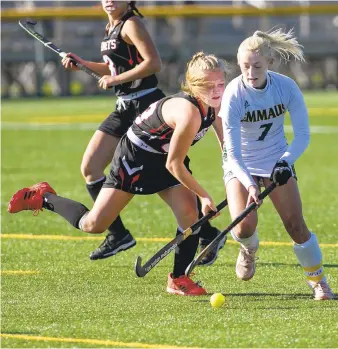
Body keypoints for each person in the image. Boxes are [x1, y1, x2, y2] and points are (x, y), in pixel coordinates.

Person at [8, 52, 228, 296]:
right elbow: (174, 165)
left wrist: (242, 173)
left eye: (220, 84)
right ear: (194, 86)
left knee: (189, 212)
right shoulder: (189, 113)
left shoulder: (215, 106)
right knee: (93, 224)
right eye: (208, 86)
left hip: (164, 156)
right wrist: (205, 196)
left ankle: (178, 278)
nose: (216, 90)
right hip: (136, 158)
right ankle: (44, 197)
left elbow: (226, 146)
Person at [61, 0, 223, 262]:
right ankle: (118, 235)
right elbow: (116, 68)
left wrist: (116, 80)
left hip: (146, 105)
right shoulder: (110, 27)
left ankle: (205, 232)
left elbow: (153, 63)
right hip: (124, 107)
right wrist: (83, 64)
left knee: (165, 179)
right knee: (91, 167)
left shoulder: (131, 24)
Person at [219, 28, 334, 300]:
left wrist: (285, 162)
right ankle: (248, 249)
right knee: (243, 226)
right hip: (241, 162)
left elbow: (303, 135)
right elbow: (231, 152)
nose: (250, 72)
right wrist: (249, 184)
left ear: (270, 63)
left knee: (295, 225)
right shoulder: (234, 94)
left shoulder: (285, 87)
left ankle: (318, 282)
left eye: (257, 65)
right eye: (245, 66)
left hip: (275, 159)